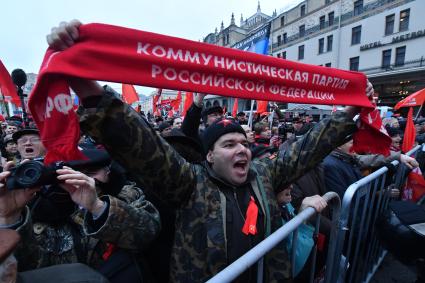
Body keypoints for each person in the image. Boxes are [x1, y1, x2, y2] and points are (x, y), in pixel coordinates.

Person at [47, 20, 374, 282]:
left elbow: (308, 148)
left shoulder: (265, 174)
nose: (242, 149)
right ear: (209, 156)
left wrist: (349, 113)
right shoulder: (190, 184)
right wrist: (85, 87)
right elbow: (141, 143)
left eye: (244, 143)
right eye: (229, 144)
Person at [0, 147, 160, 282]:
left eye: (91, 172)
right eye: (74, 173)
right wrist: (9, 216)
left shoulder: (128, 196)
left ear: (108, 172)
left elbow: (148, 234)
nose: (82, 178)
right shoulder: (37, 208)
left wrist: (97, 207)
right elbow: (22, 271)